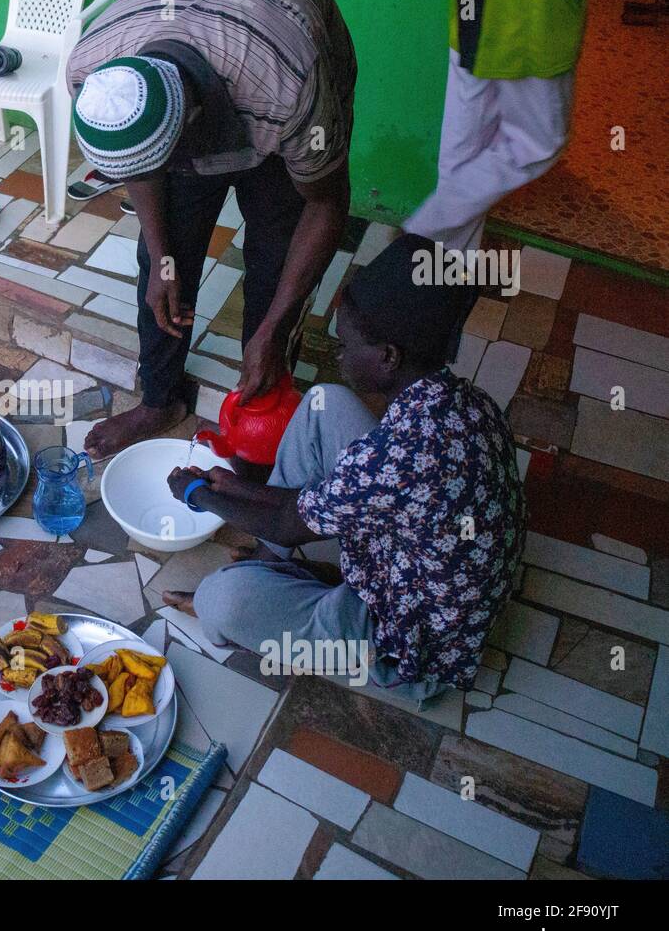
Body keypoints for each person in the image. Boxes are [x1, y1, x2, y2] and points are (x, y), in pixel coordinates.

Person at [161, 235, 527, 701]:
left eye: (346, 343)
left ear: (388, 357)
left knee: (221, 601)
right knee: (322, 403)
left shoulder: (398, 456)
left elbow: (290, 520)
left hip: (417, 645)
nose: (338, 353)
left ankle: (276, 593)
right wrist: (234, 485)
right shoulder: (468, 402)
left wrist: (198, 494)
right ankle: (271, 566)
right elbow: (315, 506)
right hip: (429, 574)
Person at [65, 0, 357, 459]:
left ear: (194, 120)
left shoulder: (291, 87)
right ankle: (161, 402)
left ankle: (263, 413)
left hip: (281, 32)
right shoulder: (96, 76)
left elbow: (328, 205)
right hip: (202, 35)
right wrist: (162, 258)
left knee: (275, 263)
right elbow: (142, 168)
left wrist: (272, 328)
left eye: (163, 160)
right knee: (163, 261)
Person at [405, 0, 669, 254]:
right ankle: (425, 229)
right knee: (539, 141)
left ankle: (437, 268)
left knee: (464, 145)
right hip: (527, 6)